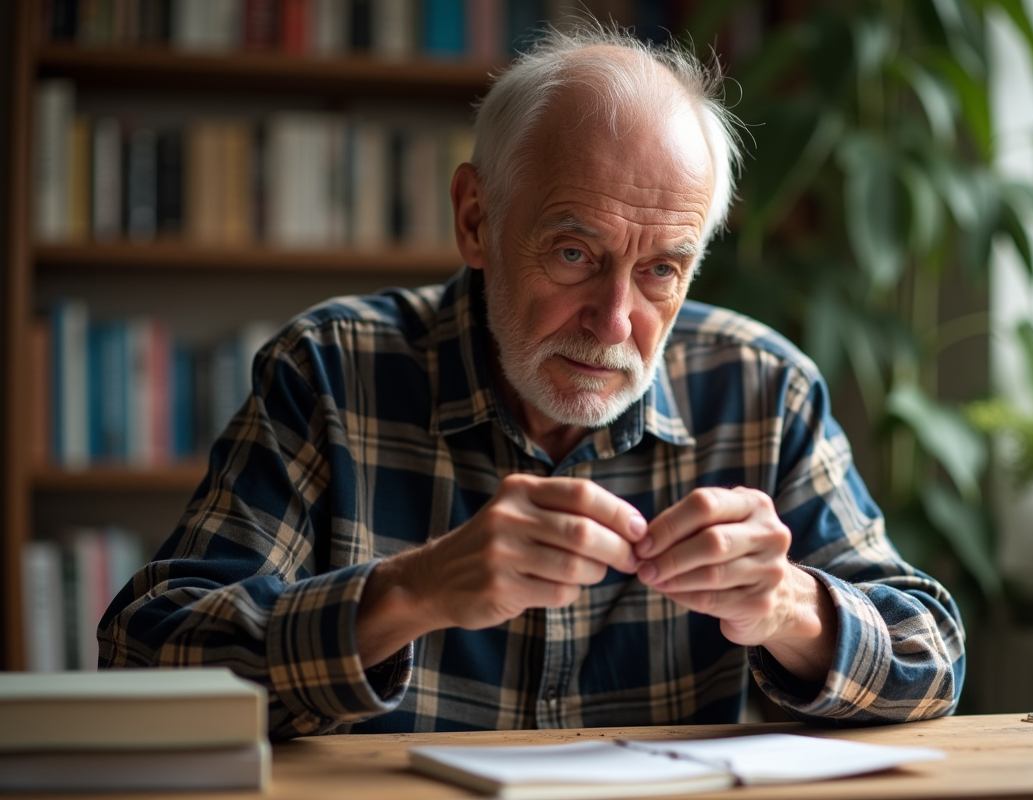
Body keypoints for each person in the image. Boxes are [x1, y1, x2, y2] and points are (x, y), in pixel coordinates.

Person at [100, 24, 964, 739]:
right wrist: (410, 593)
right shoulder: (331, 370)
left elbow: (934, 661)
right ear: (476, 220)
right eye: (574, 253)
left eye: (662, 268)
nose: (615, 320)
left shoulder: (762, 389)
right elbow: (143, 657)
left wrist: (789, 608)